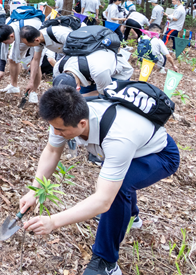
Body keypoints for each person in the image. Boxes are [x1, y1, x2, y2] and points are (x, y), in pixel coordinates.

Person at [20, 84, 179, 275]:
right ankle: (129, 216)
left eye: (60, 130)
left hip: (160, 154)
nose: (55, 134)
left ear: (82, 124)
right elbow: (53, 150)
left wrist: (53, 222)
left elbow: (103, 201)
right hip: (133, 146)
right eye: (53, 127)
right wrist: (34, 191)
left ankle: (106, 262)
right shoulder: (67, 116)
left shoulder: (118, 138)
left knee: (119, 187)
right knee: (116, 179)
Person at [19, 23, 75, 101]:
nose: (29, 47)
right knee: (57, 75)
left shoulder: (60, 34)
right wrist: (31, 82)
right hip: (63, 52)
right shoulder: (39, 39)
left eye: (29, 45)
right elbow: (36, 60)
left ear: (36, 40)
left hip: (77, 52)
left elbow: (78, 48)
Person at [0, 13, 44, 99]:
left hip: (36, 35)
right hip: (21, 35)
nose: (5, 44)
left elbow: (36, 58)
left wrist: (33, 59)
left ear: (12, 36)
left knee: (35, 63)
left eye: (6, 42)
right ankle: (14, 86)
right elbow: (3, 48)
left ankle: (33, 92)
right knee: (12, 59)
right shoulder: (7, 26)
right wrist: (1, 69)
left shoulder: (29, 28)